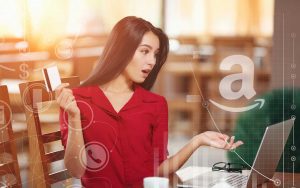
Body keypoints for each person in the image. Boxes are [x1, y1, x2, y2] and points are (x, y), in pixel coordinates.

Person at [56, 16, 243, 188]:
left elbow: (158, 169)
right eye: (144, 51)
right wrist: (74, 118)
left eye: (155, 54)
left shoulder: (156, 104)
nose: (152, 61)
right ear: (122, 49)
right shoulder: (77, 100)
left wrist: (198, 141)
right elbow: (76, 171)